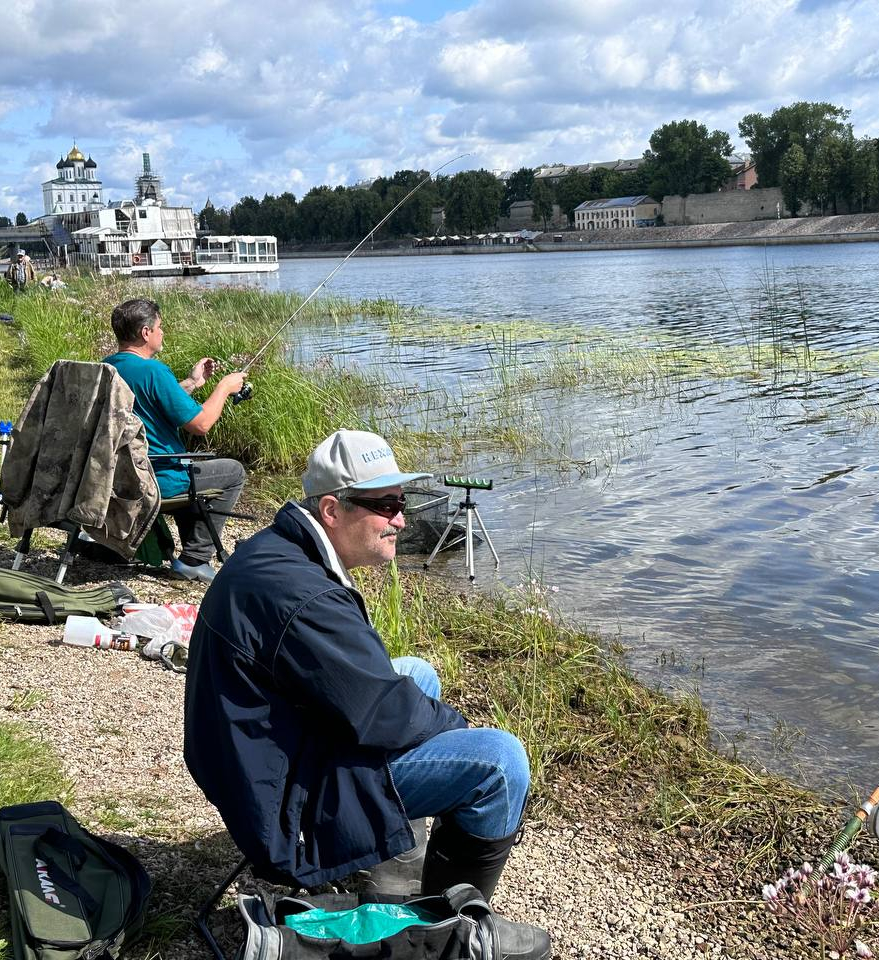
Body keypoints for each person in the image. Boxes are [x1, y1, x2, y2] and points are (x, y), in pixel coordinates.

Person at [183, 430, 547, 958]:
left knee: (416, 672)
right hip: (280, 801)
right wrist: (458, 728)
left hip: (251, 755)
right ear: (332, 509)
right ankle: (442, 928)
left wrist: (430, 721)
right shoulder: (306, 597)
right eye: (385, 505)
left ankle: (386, 856)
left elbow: (378, 695)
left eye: (400, 501)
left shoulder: (279, 551)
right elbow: (386, 712)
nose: (400, 519)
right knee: (499, 764)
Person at [102, 298, 247, 581]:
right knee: (233, 472)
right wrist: (224, 388)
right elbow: (201, 425)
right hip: (156, 476)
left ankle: (188, 548)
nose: (162, 333)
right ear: (146, 333)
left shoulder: (107, 368)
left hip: (118, 476)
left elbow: (148, 402)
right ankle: (195, 557)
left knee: (192, 468)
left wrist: (192, 383)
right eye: (160, 328)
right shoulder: (153, 370)